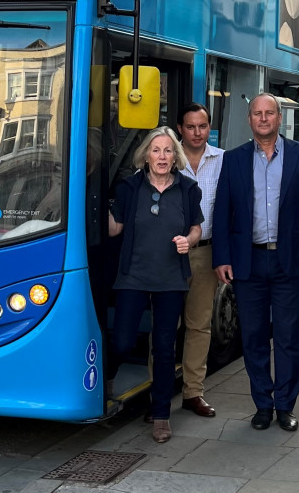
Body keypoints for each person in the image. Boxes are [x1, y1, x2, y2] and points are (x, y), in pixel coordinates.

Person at [213, 93, 299, 432]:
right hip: (248, 262)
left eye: (269, 113)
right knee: (253, 336)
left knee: (290, 337)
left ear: (279, 118)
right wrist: (222, 257)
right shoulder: (232, 160)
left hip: (289, 261)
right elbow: (222, 214)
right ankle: (263, 404)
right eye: (257, 114)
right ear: (250, 120)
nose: (263, 119)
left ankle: (285, 405)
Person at [107, 127, 203, 444]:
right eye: (156, 150)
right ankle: (106, 380)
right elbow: (115, 228)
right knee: (121, 341)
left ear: (175, 156)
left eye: (167, 151)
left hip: (170, 279)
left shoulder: (188, 189)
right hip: (132, 276)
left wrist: (187, 242)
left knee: (164, 349)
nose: (162, 156)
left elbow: (196, 229)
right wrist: (90, 200)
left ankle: (161, 415)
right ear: (145, 155)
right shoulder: (129, 187)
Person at [175, 102, 224, 418]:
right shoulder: (164, 156)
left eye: (202, 126)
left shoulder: (223, 161)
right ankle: (159, 391)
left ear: (209, 127)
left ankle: (193, 392)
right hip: (168, 256)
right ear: (181, 128)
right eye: (190, 126)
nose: (197, 132)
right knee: (166, 326)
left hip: (205, 253)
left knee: (199, 325)